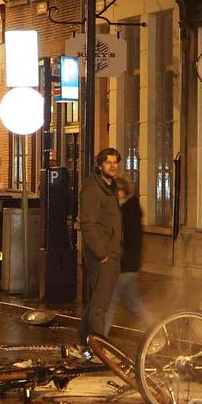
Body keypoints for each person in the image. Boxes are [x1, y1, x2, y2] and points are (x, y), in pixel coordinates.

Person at [78, 148, 123, 351]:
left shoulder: (110, 188)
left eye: (115, 163)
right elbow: (87, 224)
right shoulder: (93, 190)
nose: (113, 166)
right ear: (99, 165)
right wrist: (101, 253)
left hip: (111, 252)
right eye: (108, 162)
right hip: (103, 254)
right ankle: (98, 351)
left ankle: (84, 346)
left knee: (96, 302)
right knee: (100, 305)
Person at [105, 177, 146, 325]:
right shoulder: (129, 210)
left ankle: (98, 341)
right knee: (135, 305)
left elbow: (122, 240)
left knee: (108, 302)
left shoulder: (127, 213)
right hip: (129, 265)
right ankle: (159, 332)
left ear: (122, 193)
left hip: (124, 266)